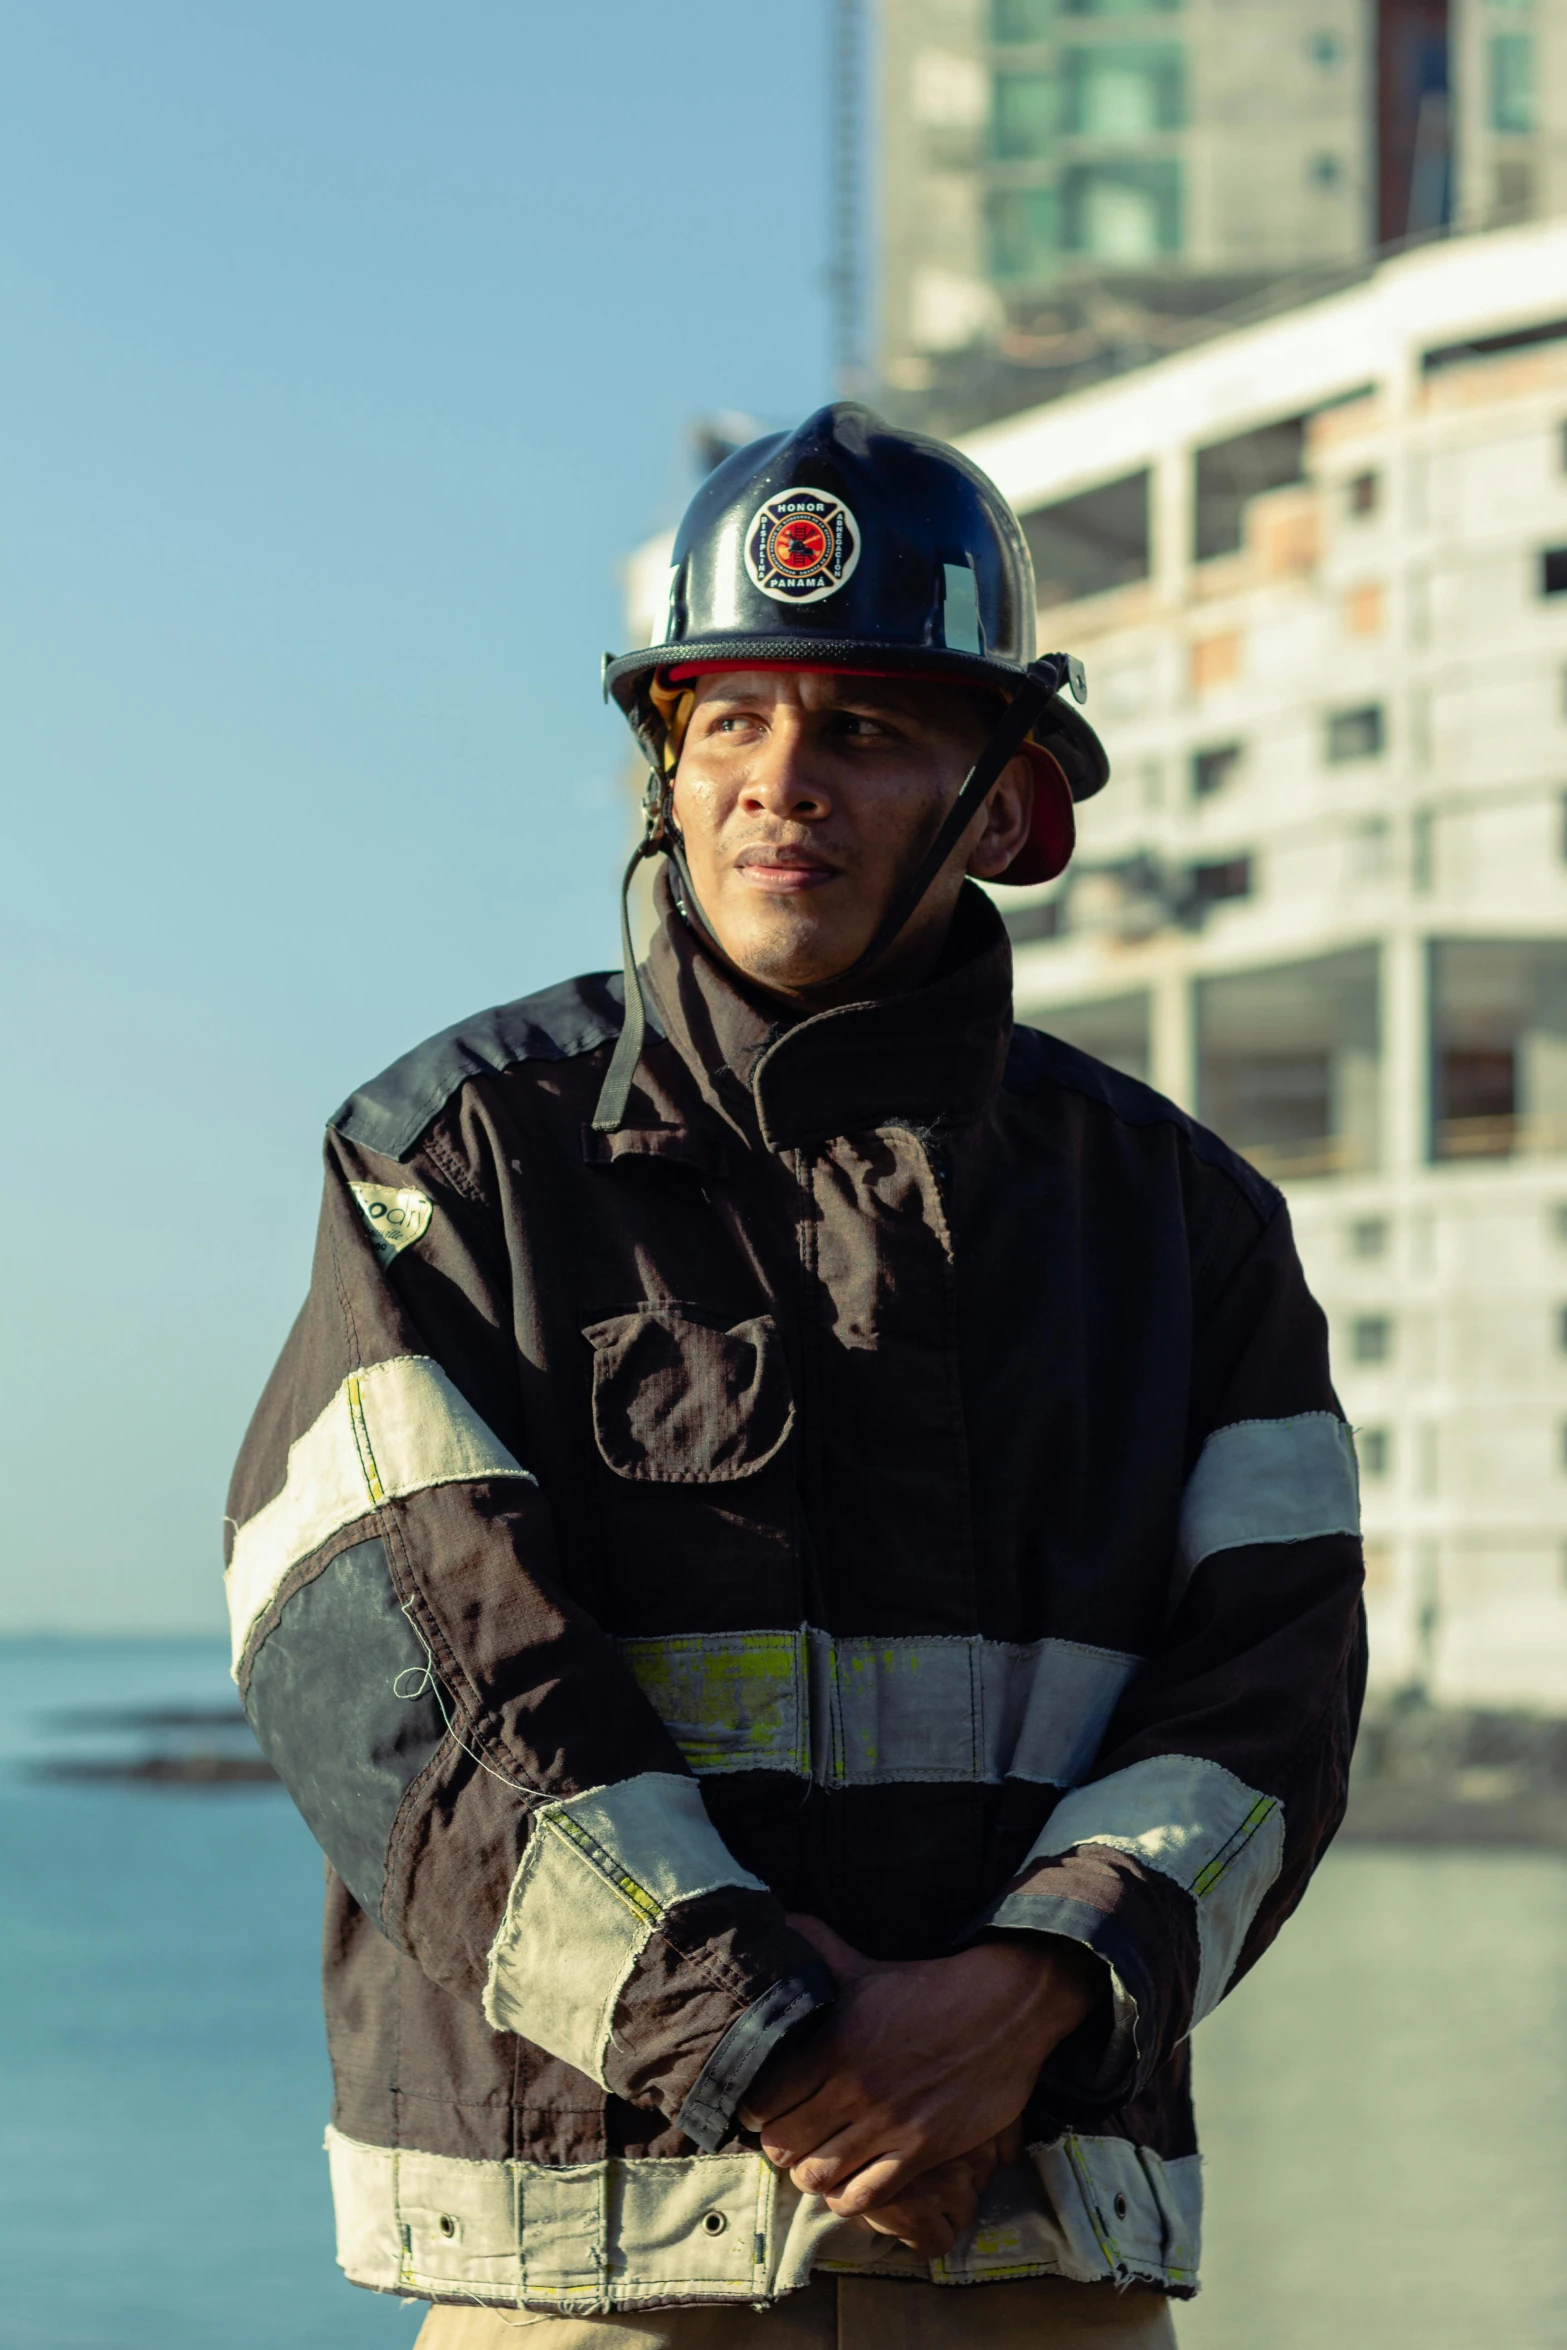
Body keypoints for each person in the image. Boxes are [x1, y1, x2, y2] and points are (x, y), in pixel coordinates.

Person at [225, 405, 1365, 2348]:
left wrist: (1037, 1992)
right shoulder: (456, 1161)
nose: (780, 784)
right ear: (664, 773)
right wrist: (760, 2038)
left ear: (1012, 808)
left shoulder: (1182, 1219)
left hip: (1030, 2251)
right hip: (606, 2264)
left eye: (862, 727)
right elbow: (389, 1663)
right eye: (725, 724)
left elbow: (1273, 1684)